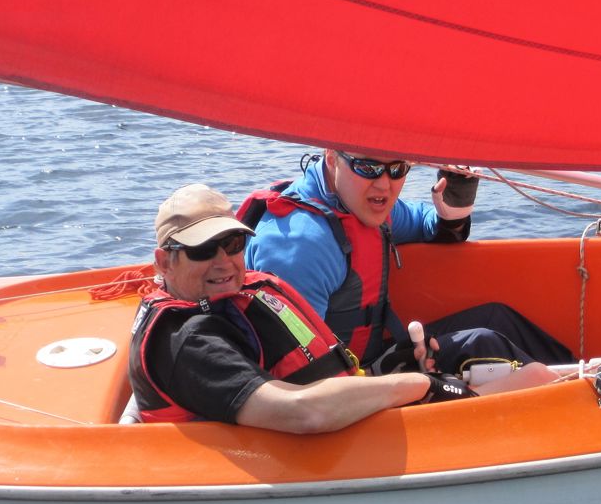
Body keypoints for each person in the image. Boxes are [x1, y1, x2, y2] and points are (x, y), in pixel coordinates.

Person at [128, 184, 553, 431]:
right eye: (203, 250)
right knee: (533, 381)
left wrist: (406, 369)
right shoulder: (188, 339)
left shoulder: (231, 301)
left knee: (517, 363)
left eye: (233, 244)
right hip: (329, 441)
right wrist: (420, 386)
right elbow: (302, 411)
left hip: (352, 418)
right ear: (164, 261)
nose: (224, 261)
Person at [242, 151, 576, 376]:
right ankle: (580, 409)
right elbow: (300, 375)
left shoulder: (358, 203)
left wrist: (452, 211)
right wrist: (393, 375)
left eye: (397, 168)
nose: (384, 184)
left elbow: (424, 222)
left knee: (497, 318)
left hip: (370, 358)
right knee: (482, 342)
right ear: (332, 157)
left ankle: (584, 376)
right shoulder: (301, 245)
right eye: (367, 167)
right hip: (342, 382)